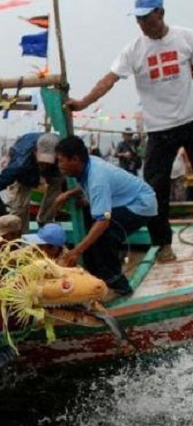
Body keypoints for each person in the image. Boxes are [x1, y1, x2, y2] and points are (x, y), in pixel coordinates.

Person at [66, 0, 193, 262]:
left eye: (146, 17)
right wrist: (83, 103)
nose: (141, 24)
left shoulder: (185, 37)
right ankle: (163, 244)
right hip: (159, 128)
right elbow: (109, 80)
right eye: (138, 19)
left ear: (160, 13)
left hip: (190, 120)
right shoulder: (133, 50)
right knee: (155, 190)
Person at [53, 136, 157, 297]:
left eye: (61, 161)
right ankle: (96, 277)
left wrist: (76, 251)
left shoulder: (97, 178)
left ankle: (119, 286)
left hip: (141, 205)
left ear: (75, 159)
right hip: (125, 199)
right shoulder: (89, 162)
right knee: (90, 226)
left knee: (105, 236)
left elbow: (102, 222)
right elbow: (89, 185)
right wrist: (70, 193)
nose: (59, 166)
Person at [0, 133, 62, 233]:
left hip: (53, 167)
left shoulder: (61, 152)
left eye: (47, 163)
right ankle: (19, 235)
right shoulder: (21, 160)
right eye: (42, 163)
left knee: (57, 183)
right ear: (35, 152)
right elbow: (8, 175)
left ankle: (45, 220)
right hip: (26, 169)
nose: (44, 166)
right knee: (20, 206)